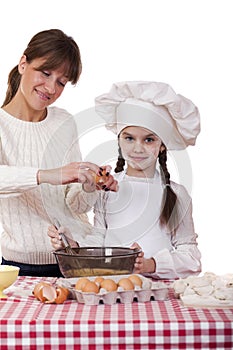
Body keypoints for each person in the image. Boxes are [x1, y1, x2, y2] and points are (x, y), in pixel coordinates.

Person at [49, 81, 202, 279]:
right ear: (119, 140)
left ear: (162, 145)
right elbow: (99, 240)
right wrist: (74, 246)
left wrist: (150, 265)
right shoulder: (107, 190)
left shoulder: (177, 194)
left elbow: (190, 256)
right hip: (112, 287)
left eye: (149, 139)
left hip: (159, 291)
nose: (138, 148)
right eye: (129, 138)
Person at [0, 29, 117, 277]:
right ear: (23, 64)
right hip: (24, 267)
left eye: (62, 82)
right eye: (45, 73)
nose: (51, 87)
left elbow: (75, 204)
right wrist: (49, 174)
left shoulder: (63, 121)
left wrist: (89, 184)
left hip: (77, 258)